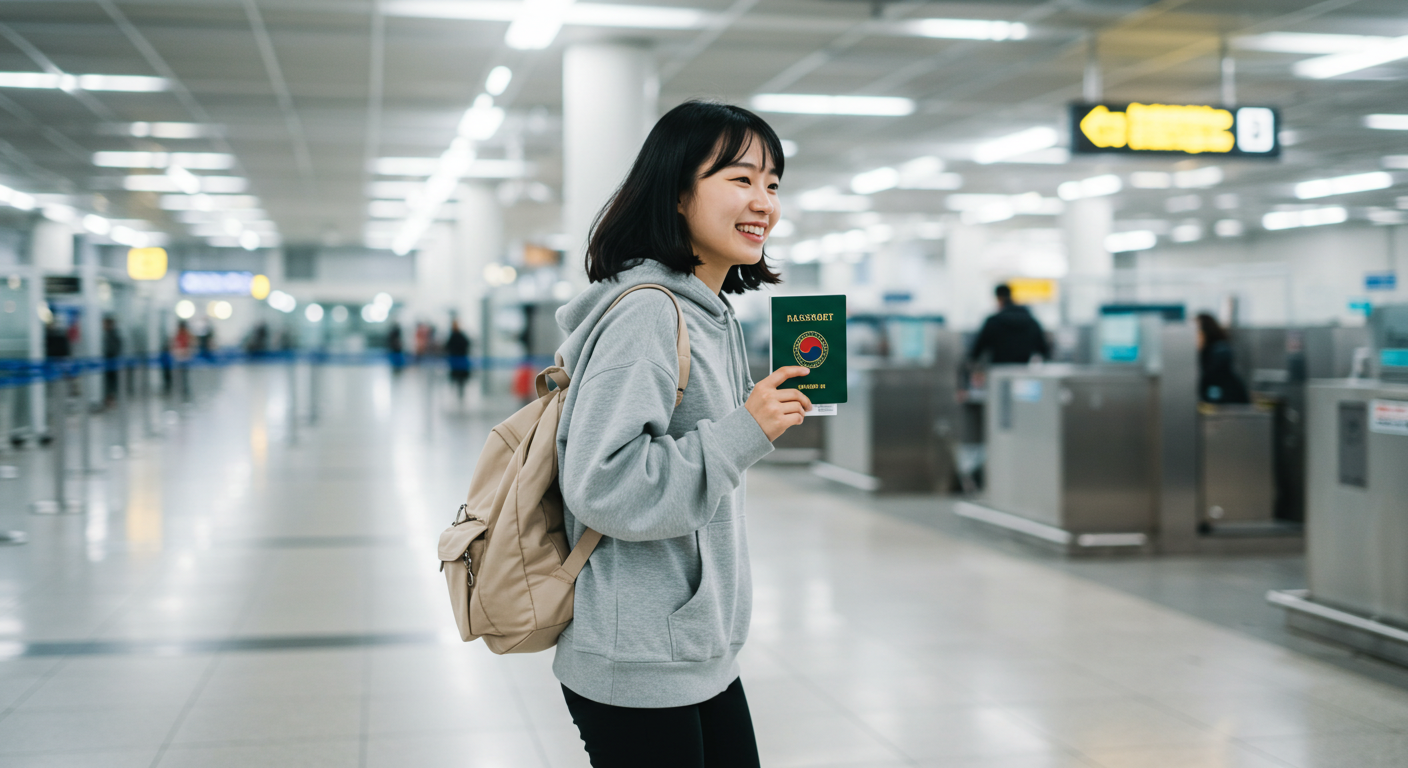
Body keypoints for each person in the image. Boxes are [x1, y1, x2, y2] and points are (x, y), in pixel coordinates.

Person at [552, 100, 810, 768]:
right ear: (676, 193)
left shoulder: (711, 314)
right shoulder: (647, 315)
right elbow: (602, 485)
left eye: (773, 182)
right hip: (640, 657)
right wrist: (742, 432)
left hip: (693, 644)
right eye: (740, 178)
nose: (764, 202)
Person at [969, 283, 1050, 365]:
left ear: (999, 298)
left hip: (998, 371)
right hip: (1024, 371)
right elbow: (1044, 350)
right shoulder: (1031, 321)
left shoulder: (993, 322)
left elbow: (977, 351)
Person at [1196, 313, 1250, 404]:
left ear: (1205, 331)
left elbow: (1209, 374)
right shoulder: (1206, 351)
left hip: (1229, 400)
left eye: (1197, 331)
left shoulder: (1220, 349)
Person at [444, 320, 471, 401]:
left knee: (458, 378)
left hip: (457, 360)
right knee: (459, 379)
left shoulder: (454, 336)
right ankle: (458, 393)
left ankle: (458, 393)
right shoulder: (460, 336)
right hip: (458, 360)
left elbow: (447, 346)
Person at [102, 315, 122, 405]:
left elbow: (114, 349)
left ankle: (111, 399)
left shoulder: (113, 335)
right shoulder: (109, 334)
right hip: (109, 362)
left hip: (111, 361)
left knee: (112, 382)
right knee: (110, 382)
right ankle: (110, 399)